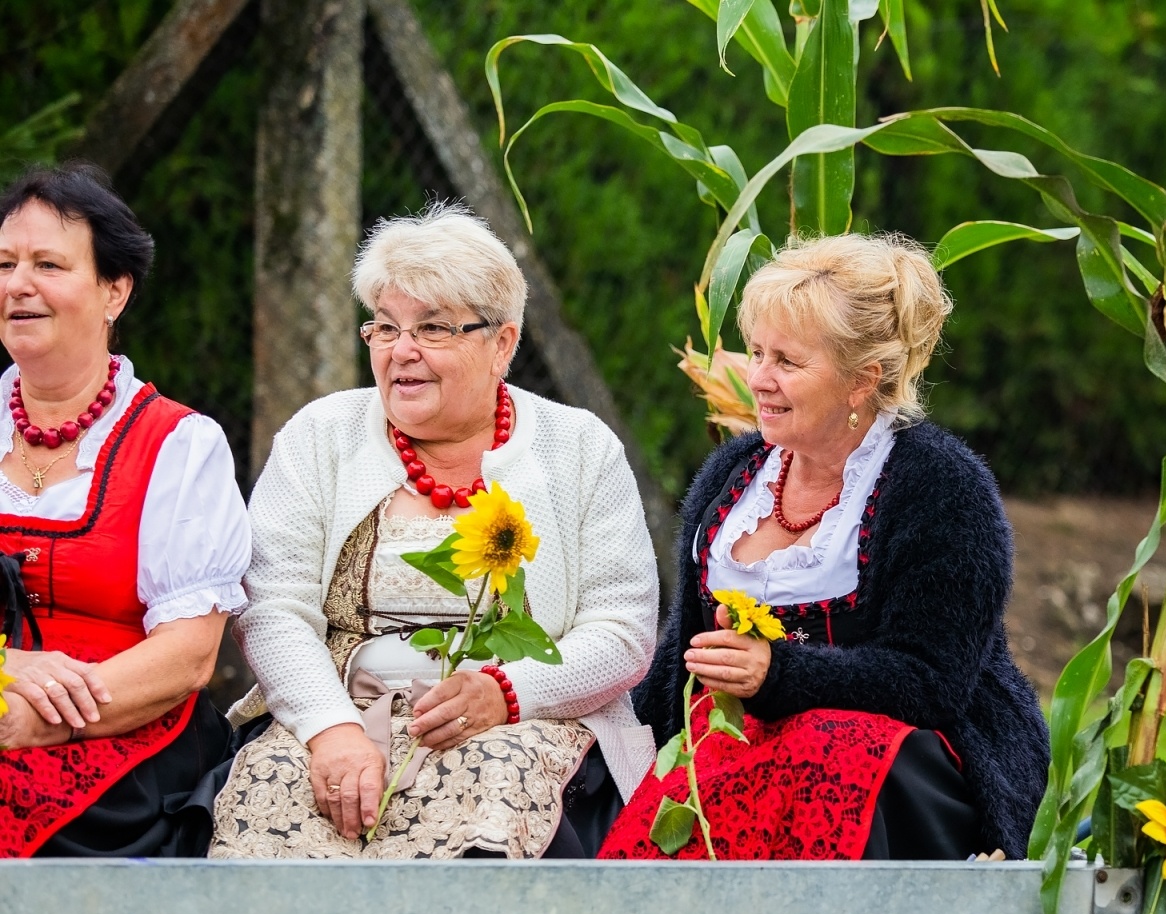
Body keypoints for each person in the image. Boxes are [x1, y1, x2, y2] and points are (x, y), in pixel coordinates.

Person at [209, 203, 658, 859]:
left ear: (502, 342)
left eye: (433, 329)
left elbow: (622, 631)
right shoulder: (320, 437)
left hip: (521, 723)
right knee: (280, 784)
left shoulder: (579, 449)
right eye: (385, 328)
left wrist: (507, 692)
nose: (402, 352)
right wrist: (330, 728)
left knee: (496, 782)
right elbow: (274, 607)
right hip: (340, 714)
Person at [600, 233, 1048, 862]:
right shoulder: (735, 474)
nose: (756, 379)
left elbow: (932, 683)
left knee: (820, 745)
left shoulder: (944, 489)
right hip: (731, 753)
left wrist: (778, 673)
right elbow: (682, 652)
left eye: (786, 361)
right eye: (756, 352)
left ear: (860, 382)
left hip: (904, 764)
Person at [0, 163, 249, 858]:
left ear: (115, 290)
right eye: (4, 263)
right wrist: (8, 675)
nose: (17, 284)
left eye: (48, 264)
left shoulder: (177, 444)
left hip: (121, 742)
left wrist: (42, 720)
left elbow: (188, 657)